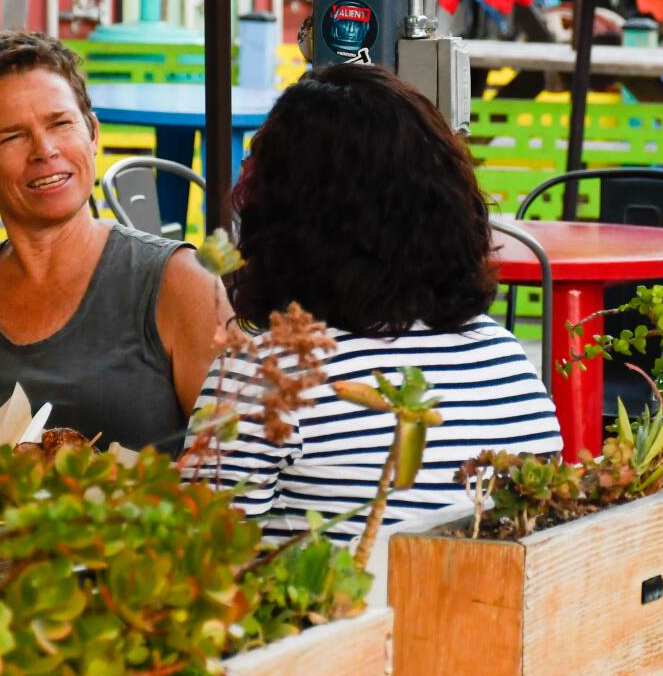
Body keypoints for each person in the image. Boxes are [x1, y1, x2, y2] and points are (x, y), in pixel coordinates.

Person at [193, 63, 560, 541]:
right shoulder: (505, 360)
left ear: (288, 217)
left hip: (337, 615)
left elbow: (194, 574)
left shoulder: (267, 377)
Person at [0, 31, 226, 453]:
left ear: (93, 134)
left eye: (61, 123)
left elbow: (239, 470)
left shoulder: (179, 283)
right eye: (12, 137)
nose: (44, 150)